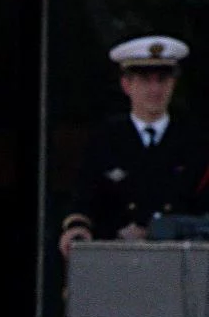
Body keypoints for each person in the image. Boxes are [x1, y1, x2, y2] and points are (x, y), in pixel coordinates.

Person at [59, 35, 209, 254]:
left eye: (162, 79)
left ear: (173, 83)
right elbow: (84, 197)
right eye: (145, 80)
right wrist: (77, 227)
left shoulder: (193, 141)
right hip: (116, 260)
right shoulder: (106, 139)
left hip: (178, 262)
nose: (155, 89)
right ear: (126, 84)